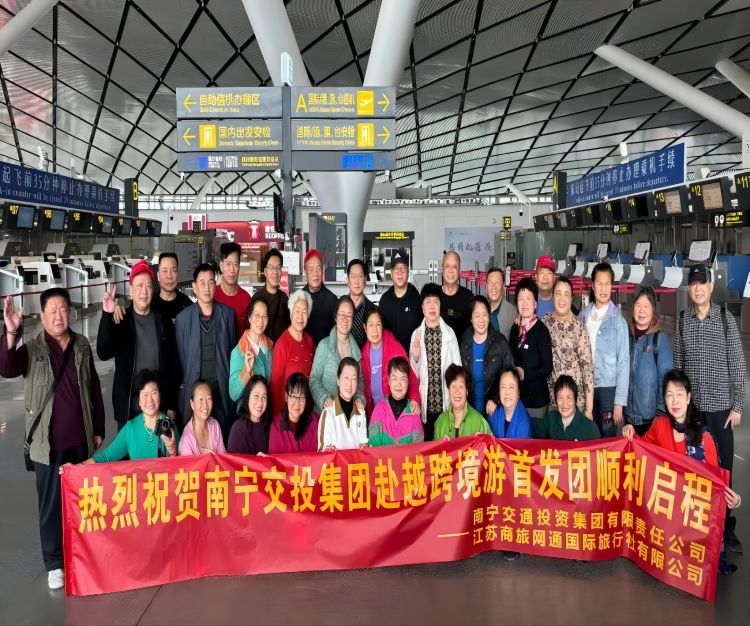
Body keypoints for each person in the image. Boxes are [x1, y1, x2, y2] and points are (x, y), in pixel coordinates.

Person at [1, 289, 105, 590]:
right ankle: (54, 562)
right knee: (50, 504)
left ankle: (81, 552)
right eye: (53, 311)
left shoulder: (81, 344)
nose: (59, 316)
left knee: (83, 500)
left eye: (63, 310)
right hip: (47, 445)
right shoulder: (33, 349)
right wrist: (11, 331)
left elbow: (93, 388)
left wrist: (98, 427)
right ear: (43, 316)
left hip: (80, 439)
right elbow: (6, 368)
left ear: (70, 313)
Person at [622, 369, 741, 570]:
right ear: (664, 400)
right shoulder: (659, 425)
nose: (675, 401)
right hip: (667, 512)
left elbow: (716, 485)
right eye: (669, 395)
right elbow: (641, 451)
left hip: (690, 515)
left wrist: (736, 500)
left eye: (679, 394)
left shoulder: (704, 438)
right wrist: (630, 432)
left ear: (688, 398)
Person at [674, 263, 746, 553]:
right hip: (694, 412)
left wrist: (737, 406)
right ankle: (699, 524)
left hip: (720, 410)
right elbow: (678, 368)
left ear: (710, 286)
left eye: (702, 283)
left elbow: (738, 365)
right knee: (694, 468)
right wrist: (678, 407)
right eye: (693, 284)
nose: (698, 288)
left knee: (723, 469)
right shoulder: (682, 321)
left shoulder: (726, 320)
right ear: (689, 289)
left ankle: (726, 527)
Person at [112, 253, 191, 419]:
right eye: (165, 270)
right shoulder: (150, 303)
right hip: (133, 403)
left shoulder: (187, 307)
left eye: (173, 270)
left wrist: (172, 401)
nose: (169, 276)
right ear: (158, 275)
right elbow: (105, 349)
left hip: (165, 398)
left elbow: (176, 359)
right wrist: (114, 310)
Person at [97, 260, 174, 429]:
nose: (144, 291)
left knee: (158, 446)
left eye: (148, 286)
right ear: (130, 290)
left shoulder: (162, 320)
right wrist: (107, 316)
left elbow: (171, 364)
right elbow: (103, 352)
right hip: (128, 409)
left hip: (157, 406)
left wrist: (171, 404)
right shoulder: (121, 319)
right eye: (139, 286)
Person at [175, 263, 237, 441]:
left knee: (223, 437)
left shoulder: (228, 315)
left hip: (221, 389)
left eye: (211, 282)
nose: (207, 288)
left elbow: (232, 352)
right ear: (194, 287)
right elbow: (182, 358)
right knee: (196, 440)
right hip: (196, 392)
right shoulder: (183, 319)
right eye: (202, 283)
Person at [578, 262, 629, 439]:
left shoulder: (618, 321)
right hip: (586, 388)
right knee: (589, 438)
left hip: (609, 389)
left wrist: (619, 402)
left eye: (607, 284)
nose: (603, 289)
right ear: (592, 285)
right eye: (599, 284)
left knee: (608, 440)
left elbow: (624, 363)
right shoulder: (583, 316)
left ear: (612, 286)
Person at [84, 370, 179, 461]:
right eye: (145, 395)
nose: (150, 400)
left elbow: (181, 463)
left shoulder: (170, 427)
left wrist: (173, 452)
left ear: (160, 396)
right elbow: (107, 456)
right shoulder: (131, 428)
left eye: (154, 393)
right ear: (139, 401)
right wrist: (80, 466)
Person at [410, 282, 461, 440]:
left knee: (446, 447)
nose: (432, 306)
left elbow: (458, 371)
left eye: (436, 302)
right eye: (428, 302)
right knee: (427, 447)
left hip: (446, 403)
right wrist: (416, 357)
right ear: (422, 307)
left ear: (440, 306)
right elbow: (412, 375)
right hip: (425, 404)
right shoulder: (416, 335)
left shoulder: (449, 334)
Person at [542, 276, 594, 421]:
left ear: (571, 299)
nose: (562, 298)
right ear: (553, 296)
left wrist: (588, 410)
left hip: (576, 402)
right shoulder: (544, 323)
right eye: (558, 293)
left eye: (566, 294)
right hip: (553, 401)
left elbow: (587, 370)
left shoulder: (579, 328)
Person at [626, 284, 673, 436]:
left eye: (646, 306)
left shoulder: (659, 340)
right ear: (633, 308)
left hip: (651, 421)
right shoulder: (626, 338)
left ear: (653, 310)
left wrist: (660, 417)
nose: (642, 311)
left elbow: (665, 381)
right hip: (628, 420)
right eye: (638, 305)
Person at [459, 295, 514, 416]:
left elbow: (510, 375)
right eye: (477, 316)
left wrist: (496, 399)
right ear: (471, 319)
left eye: (484, 315)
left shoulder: (500, 342)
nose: (481, 320)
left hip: (494, 411)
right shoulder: (464, 342)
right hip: (470, 411)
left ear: (489, 316)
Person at [309, 296, 364, 413]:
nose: (345, 319)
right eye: (342, 314)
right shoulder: (324, 346)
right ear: (335, 317)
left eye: (349, 315)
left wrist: (359, 398)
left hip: (347, 415)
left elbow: (359, 384)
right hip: (325, 414)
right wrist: (324, 398)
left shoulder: (356, 352)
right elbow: (314, 379)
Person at [361, 306, 420, 414]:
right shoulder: (363, 355)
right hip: (375, 413)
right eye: (371, 325)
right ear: (365, 328)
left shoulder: (395, 348)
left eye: (378, 324)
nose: (374, 330)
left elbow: (410, 377)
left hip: (396, 411)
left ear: (382, 326)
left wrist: (414, 399)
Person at [509, 277, 553, 424]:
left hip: (536, 400)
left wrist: (525, 374)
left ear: (535, 304)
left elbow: (547, 367)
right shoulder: (514, 329)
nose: (525, 303)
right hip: (517, 398)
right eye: (521, 299)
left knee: (535, 435)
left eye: (529, 298)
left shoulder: (541, 330)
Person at [269, 289, 315, 415]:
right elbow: (275, 386)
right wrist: (279, 418)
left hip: (306, 410)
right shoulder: (282, 344)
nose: (300, 316)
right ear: (290, 314)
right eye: (297, 311)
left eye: (304, 312)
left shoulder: (309, 341)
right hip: (287, 413)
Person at [368, 357, 424, 446]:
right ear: (389, 381)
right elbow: (373, 447)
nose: (398, 384)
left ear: (408, 382)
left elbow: (418, 449)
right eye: (395, 379)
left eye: (403, 379)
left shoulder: (414, 413)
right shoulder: (379, 410)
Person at [229, 298, 273, 404]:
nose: (261, 321)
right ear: (249, 318)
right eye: (257, 315)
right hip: (247, 411)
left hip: (266, 409)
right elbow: (233, 394)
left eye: (264, 316)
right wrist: (247, 371)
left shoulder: (270, 347)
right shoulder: (238, 352)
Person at [318, 357, 368, 451]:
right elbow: (322, 452)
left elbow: (364, 444)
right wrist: (327, 450)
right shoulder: (328, 413)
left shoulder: (361, 412)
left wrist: (364, 446)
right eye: (346, 377)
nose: (349, 384)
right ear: (338, 380)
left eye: (353, 379)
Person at [378, 248, 423, 352]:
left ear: (408, 271)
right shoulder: (384, 300)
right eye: (396, 268)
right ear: (391, 272)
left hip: (413, 357)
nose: (399, 272)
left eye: (403, 268)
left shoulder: (417, 299)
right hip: (390, 357)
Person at [433, 364, 491, 439]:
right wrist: (441, 444)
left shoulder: (480, 421)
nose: (457, 391)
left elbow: (492, 445)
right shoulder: (440, 422)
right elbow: (434, 446)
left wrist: (481, 443)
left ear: (467, 391)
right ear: (448, 391)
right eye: (453, 386)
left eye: (461, 387)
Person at [536, 375, 601, 441]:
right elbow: (531, 426)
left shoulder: (591, 428)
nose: (564, 404)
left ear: (575, 400)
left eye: (569, 398)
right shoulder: (551, 419)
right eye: (560, 398)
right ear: (556, 401)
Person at [268, 373, 320, 454]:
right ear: (286, 397)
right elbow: (275, 459)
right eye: (293, 397)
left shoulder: (315, 421)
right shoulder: (276, 426)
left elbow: (316, 457)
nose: (297, 403)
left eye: (301, 397)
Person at [213, 241, 251, 337]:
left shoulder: (246, 299)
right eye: (228, 264)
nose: (232, 270)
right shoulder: (212, 296)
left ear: (239, 267)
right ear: (221, 266)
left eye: (235, 264)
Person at [178, 379, 226, 455]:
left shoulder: (215, 425)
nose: (205, 405)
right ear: (192, 404)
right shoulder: (186, 439)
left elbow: (223, 455)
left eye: (209, 398)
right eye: (200, 399)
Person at [252, 248, 291, 342]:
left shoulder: (284, 298)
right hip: (262, 349)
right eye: (271, 267)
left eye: (278, 267)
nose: (275, 272)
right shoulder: (256, 299)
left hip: (281, 349)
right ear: (265, 271)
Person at [228, 374, 272, 455]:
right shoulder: (238, 428)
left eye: (264, 397)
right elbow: (233, 461)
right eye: (256, 396)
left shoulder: (270, 425)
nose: (260, 402)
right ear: (248, 398)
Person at [302, 248, 338, 344]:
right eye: (311, 269)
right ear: (305, 272)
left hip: (326, 351)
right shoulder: (299, 299)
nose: (315, 273)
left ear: (323, 271)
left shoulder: (332, 300)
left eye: (318, 268)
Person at [487, 367, 533, 439]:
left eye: (511, 387)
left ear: (518, 392)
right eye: (503, 387)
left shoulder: (524, 425)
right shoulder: (493, 414)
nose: (507, 392)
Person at [439, 251, 474, 340]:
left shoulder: (468, 297)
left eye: (454, 266)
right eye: (447, 266)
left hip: (462, 348)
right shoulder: (434, 296)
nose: (451, 270)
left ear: (459, 271)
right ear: (442, 270)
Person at [347, 258, 374, 348]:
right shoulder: (338, 308)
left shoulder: (373, 310)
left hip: (366, 356)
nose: (357, 281)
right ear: (347, 280)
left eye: (360, 276)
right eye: (353, 276)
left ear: (365, 280)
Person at [486, 267, 516, 340]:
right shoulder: (480, 309)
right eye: (491, 283)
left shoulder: (513, 313)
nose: (494, 287)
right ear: (486, 287)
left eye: (497, 283)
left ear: (503, 287)